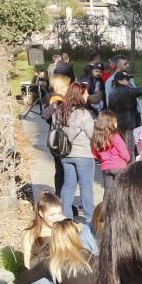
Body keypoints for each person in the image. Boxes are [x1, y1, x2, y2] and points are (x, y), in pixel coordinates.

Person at [56, 82, 96, 223]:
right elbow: (92, 135)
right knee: (86, 186)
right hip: (83, 155)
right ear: (80, 94)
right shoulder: (84, 114)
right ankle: (90, 217)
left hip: (66, 154)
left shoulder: (61, 111)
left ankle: (66, 216)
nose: (88, 95)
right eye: (85, 93)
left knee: (68, 185)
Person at [42, 75, 72, 199]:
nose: (69, 88)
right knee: (62, 171)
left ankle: (61, 197)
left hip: (57, 140)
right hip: (59, 140)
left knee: (61, 170)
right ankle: (61, 198)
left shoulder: (58, 98)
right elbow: (46, 115)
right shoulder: (57, 99)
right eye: (67, 86)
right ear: (60, 87)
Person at [92, 110, 130, 192]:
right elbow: (124, 153)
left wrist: (102, 159)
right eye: (115, 122)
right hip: (119, 166)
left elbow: (95, 154)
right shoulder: (116, 136)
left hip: (106, 167)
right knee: (120, 191)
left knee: (108, 191)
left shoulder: (98, 137)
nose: (116, 124)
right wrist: (127, 159)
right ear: (110, 124)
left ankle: (106, 204)